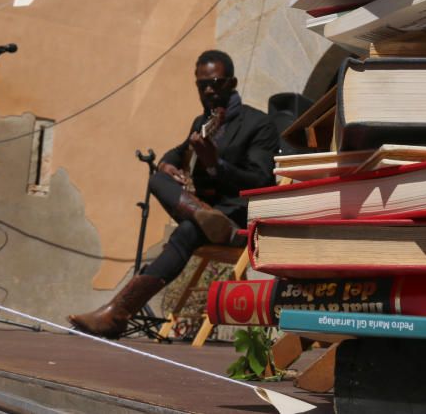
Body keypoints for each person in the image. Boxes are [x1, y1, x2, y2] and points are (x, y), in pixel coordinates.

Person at [67, 50, 279, 338]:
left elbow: (260, 179)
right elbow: (179, 152)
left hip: (237, 217)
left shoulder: (258, 124)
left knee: (187, 232)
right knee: (157, 179)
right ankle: (202, 215)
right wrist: (168, 162)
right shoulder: (201, 123)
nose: (208, 91)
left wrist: (216, 165)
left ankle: (118, 312)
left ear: (232, 83)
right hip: (207, 213)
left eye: (215, 83)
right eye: (201, 85)